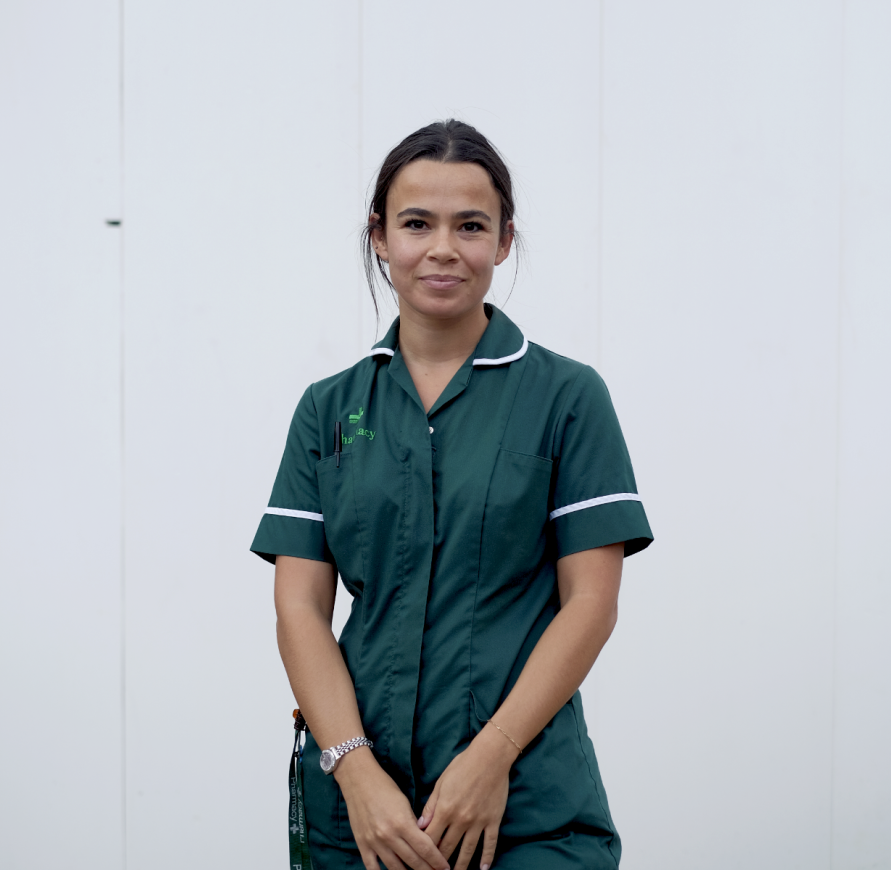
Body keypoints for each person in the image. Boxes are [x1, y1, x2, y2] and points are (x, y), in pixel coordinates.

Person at [252, 119, 653, 870]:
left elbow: (591, 604)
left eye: (471, 225)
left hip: (527, 805)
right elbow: (299, 607)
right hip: (362, 815)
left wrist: (489, 759)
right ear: (379, 236)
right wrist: (357, 773)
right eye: (416, 223)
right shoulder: (329, 410)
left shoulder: (567, 398)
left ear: (503, 241)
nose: (443, 248)